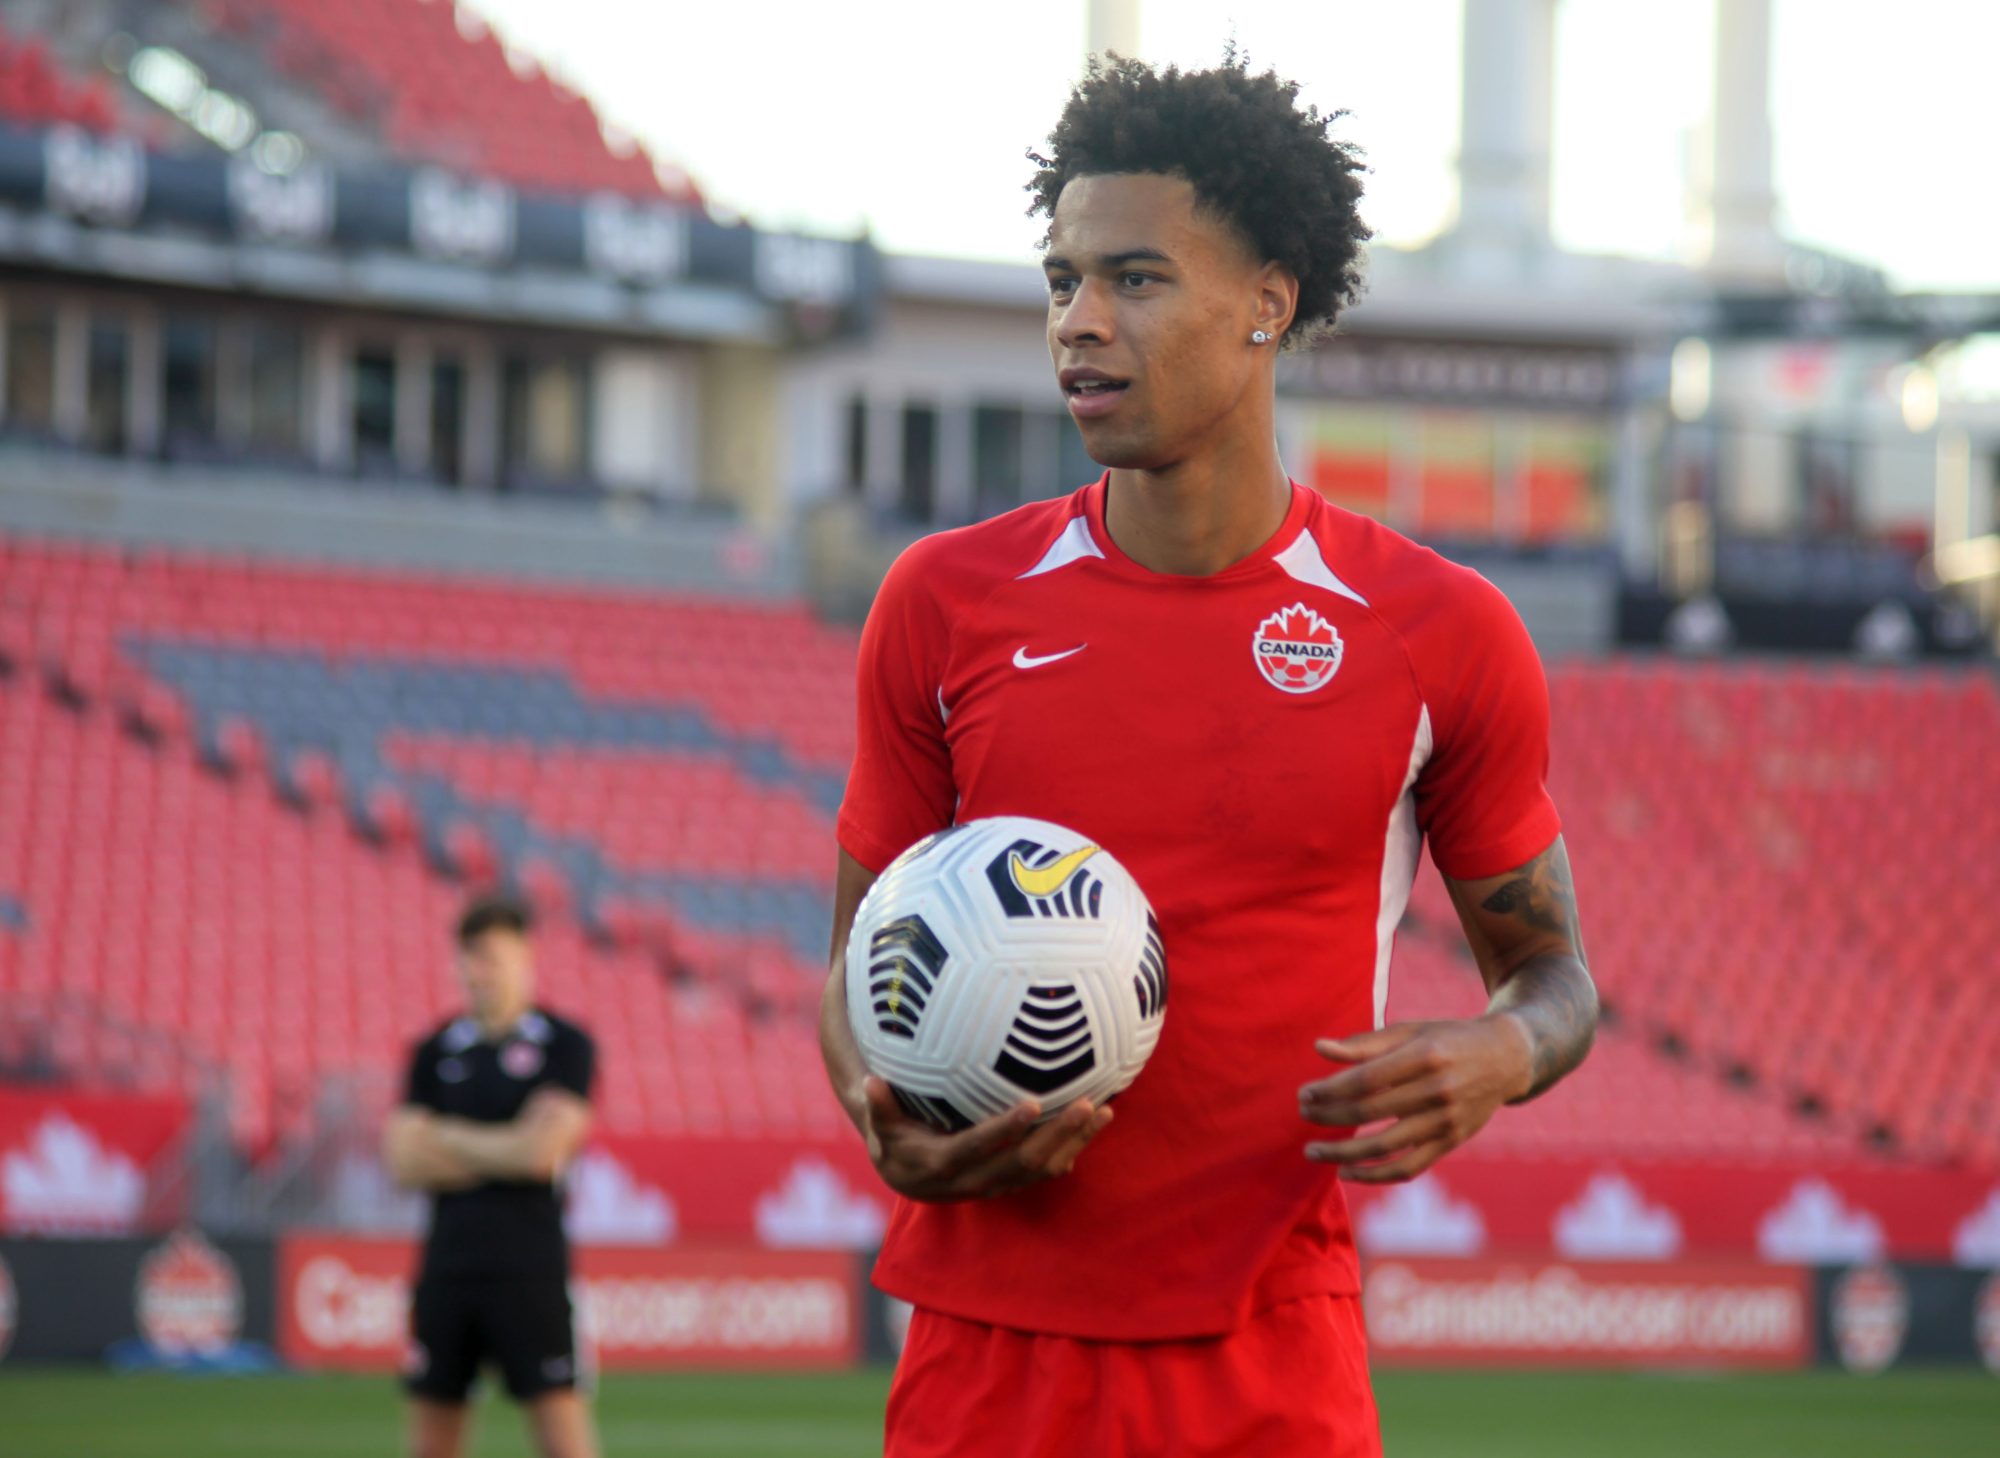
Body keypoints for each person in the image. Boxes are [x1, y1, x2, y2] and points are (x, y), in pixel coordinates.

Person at [819, 53, 1598, 1457]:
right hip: (986, 1356)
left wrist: (1500, 1049)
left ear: (1268, 301)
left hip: (1269, 1349)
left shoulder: (1440, 634)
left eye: (1135, 278)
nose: (1079, 322)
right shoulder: (942, 603)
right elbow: (852, 971)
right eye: (1061, 281)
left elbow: (1557, 981)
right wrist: (882, 1124)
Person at [383, 890, 599, 1458]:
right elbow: (404, 1160)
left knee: (563, 1436)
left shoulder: (564, 1045)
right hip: (447, 1268)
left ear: (526, 958)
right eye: (471, 957)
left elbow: (542, 1153)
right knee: (432, 1438)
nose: (481, 971)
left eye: (493, 957)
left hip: (531, 1270)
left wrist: (446, 1137)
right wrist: (508, 1143)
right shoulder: (432, 1052)